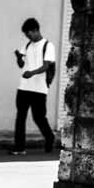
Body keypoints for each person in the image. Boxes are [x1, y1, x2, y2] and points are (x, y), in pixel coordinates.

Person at [11, 17, 56, 156]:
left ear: (36, 30)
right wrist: (19, 58)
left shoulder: (48, 45)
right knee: (20, 117)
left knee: (39, 117)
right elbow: (21, 65)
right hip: (24, 87)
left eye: (29, 34)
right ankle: (19, 147)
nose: (28, 36)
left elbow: (46, 66)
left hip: (39, 88)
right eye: (26, 35)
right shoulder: (27, 45)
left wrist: (32, 73)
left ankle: (49, 137)